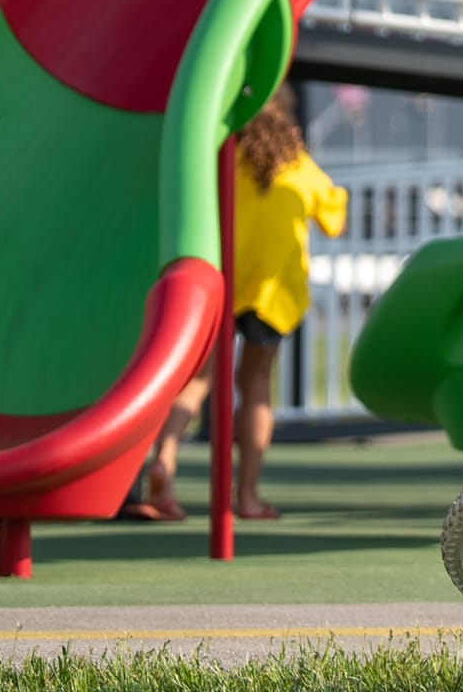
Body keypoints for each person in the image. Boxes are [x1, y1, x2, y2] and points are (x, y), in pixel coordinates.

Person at [145, 92, 347, 519]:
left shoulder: (222, 158)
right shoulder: (298, 166)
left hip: (220, 283)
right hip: (271, 293)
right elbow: (334, 221)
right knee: (255, 386)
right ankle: (248, 495)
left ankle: (165, 457)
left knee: (197, 380)